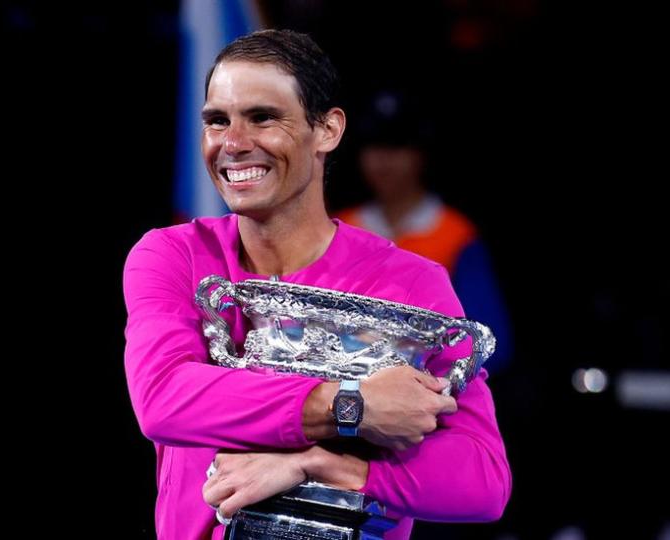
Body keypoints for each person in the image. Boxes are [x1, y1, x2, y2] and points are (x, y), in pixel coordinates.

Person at [123, 29, 511, 540]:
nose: (233, 144)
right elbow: (165, 398)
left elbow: (483, 480)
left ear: (327, 130)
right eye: (217, 120)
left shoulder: (413, 281)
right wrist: (353, 406)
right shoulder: (174, 256)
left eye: (262, 117)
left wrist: (321, 465)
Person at [336, 90, 513, 372]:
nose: (384, 160)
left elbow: (488, 339)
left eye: (397, 146)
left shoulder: (455, 234)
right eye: (373, 147)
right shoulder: (340, 228)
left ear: (420, 154)